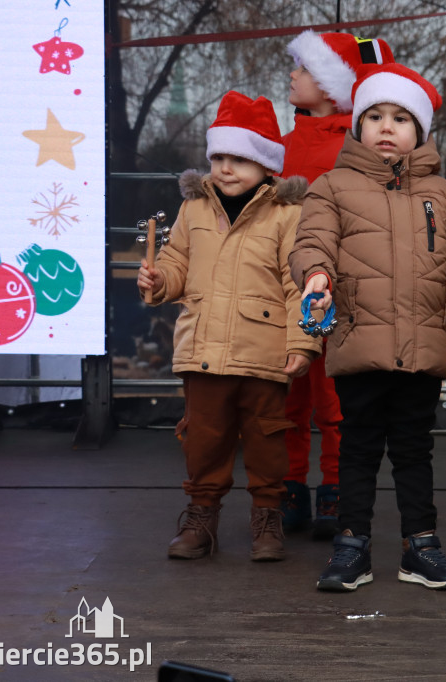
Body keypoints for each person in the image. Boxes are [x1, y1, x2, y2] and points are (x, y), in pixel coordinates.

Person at [290, 62, 446, 592]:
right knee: (356, 448)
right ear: (356, 125)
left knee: (413, 450)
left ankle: (420, 547)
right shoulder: (331, 187)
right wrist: (315, 276)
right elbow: (312, 242)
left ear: (419, 131)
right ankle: (350, 547)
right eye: (374, 115)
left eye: (400, 117)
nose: (385, 126)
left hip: (423, 349)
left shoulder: (443, 196)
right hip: (359, 341)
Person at [137, 90, 320, 562]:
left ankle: (267, 517)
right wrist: (159, 280)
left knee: (266, 442)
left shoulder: (287, 214)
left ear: (266, 165)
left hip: (263, 355)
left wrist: (303, 341)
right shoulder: (194, 210)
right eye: (218, 156)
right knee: (203, 438)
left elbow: (298, 283)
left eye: (238, 158)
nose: (224, 167)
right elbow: (177, 262)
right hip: (203, 349)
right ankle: (201, 517)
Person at [280, 30, 395, 540]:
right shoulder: (276, 148)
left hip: (339, 291)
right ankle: (286, 487)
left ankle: (333, 488)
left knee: (333, 397)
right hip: (281, 291)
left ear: (329, 85)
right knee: (286, 394)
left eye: (302, 69)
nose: (292, 75)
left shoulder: (354, 148)